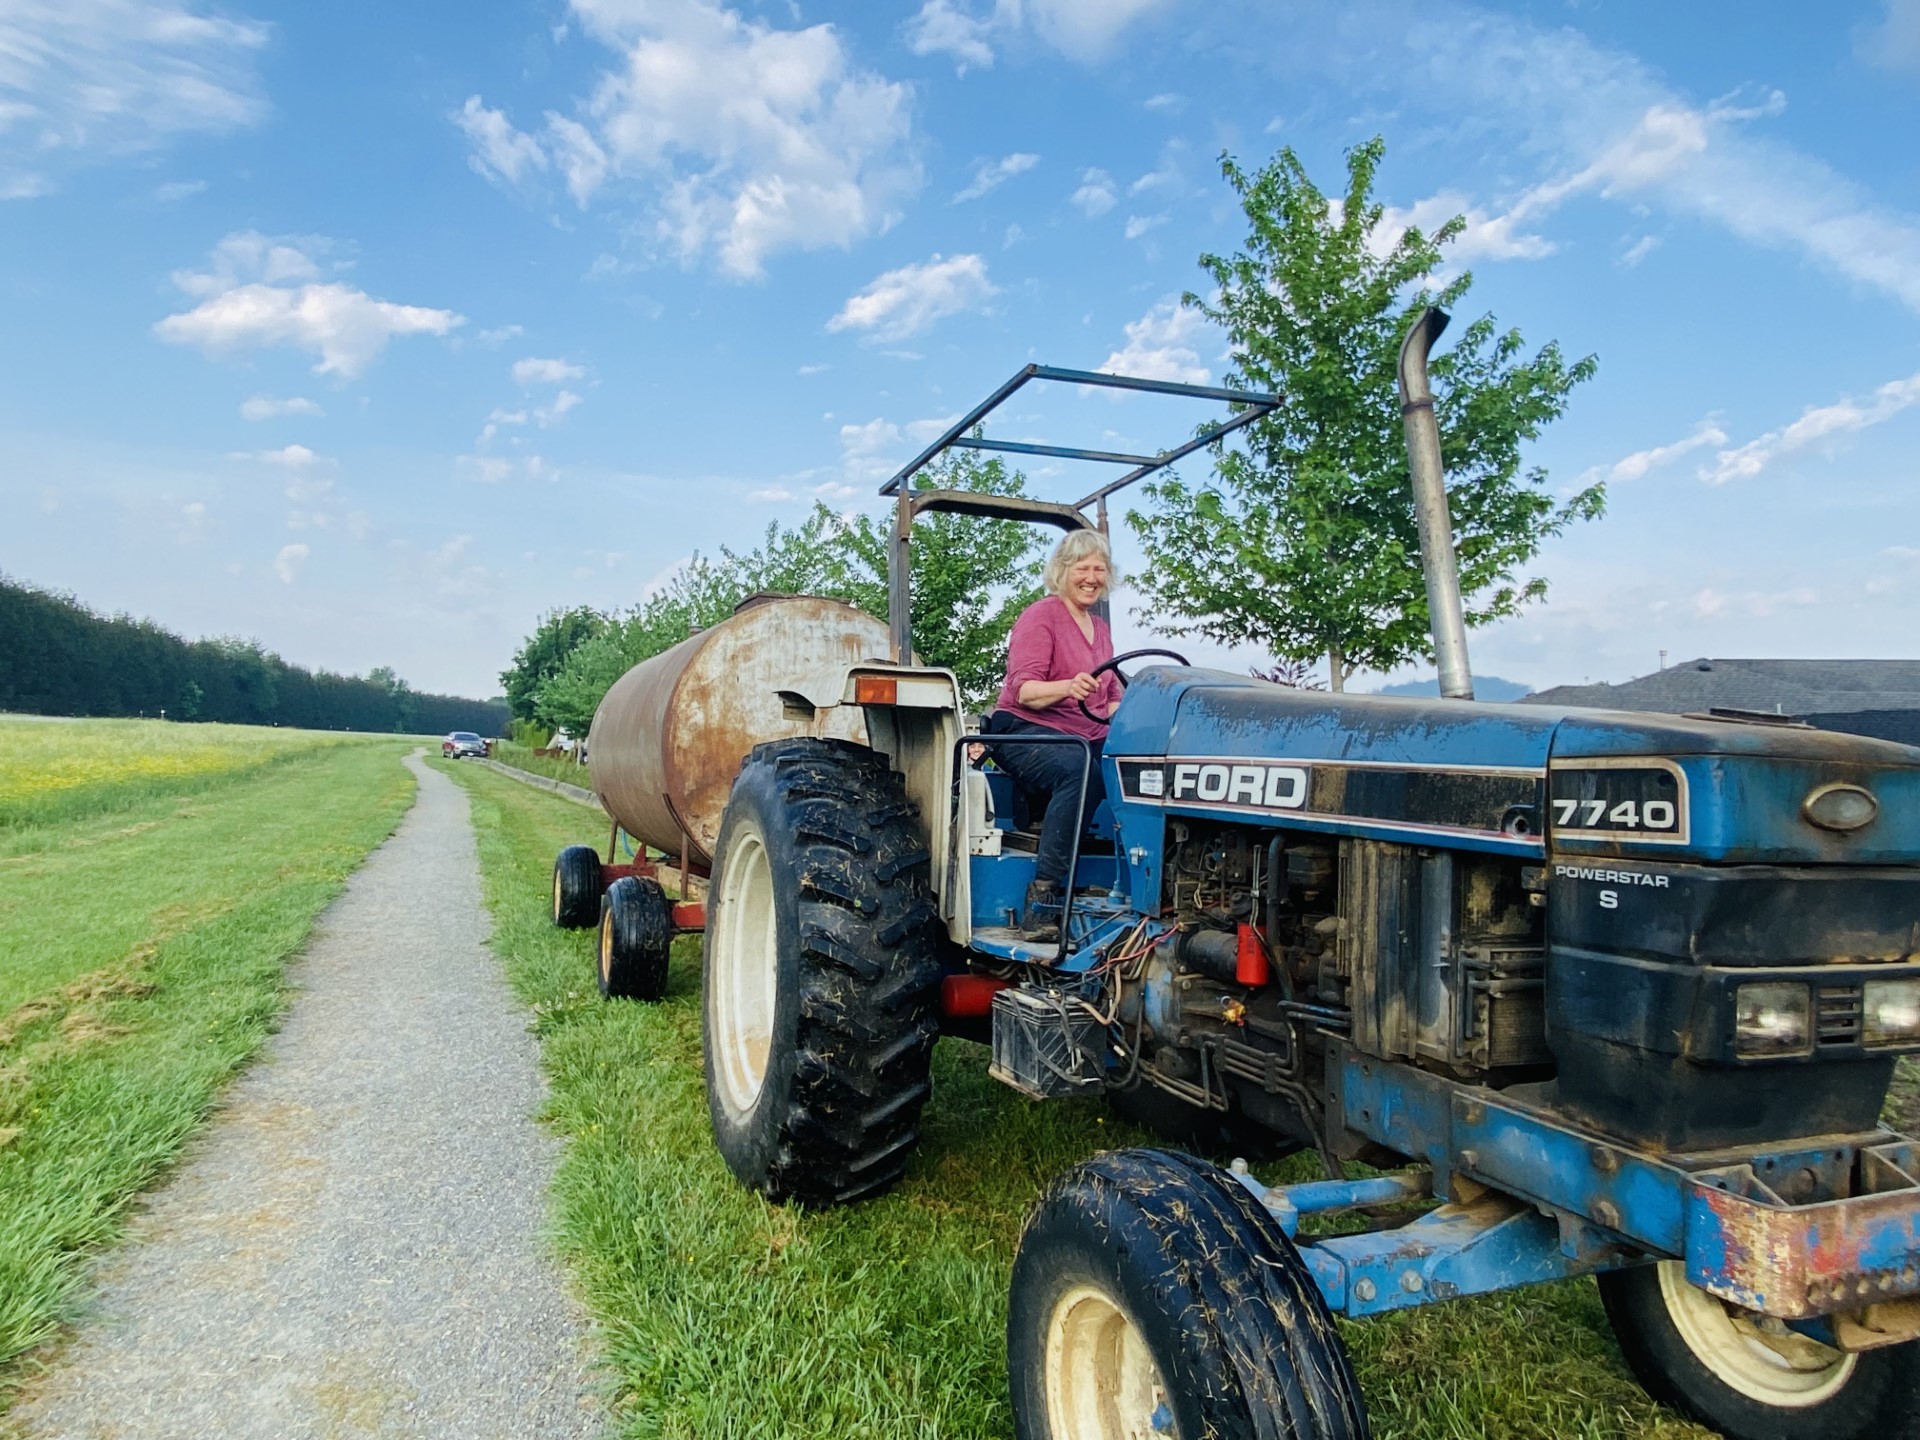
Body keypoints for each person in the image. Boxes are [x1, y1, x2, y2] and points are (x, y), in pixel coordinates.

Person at [989, 529, 1121, 941]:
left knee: (1138, 765)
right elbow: (1023, 689)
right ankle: (1043, 902)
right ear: (1062, 571)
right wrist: (1067, 686)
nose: (1091, 576)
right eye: (1082, 567)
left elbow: (1113, 695)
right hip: (1025, 731)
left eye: (1099, 568)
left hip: (1083, 735)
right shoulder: (1041, 616)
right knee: (1081, 769)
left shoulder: (1100, 629)